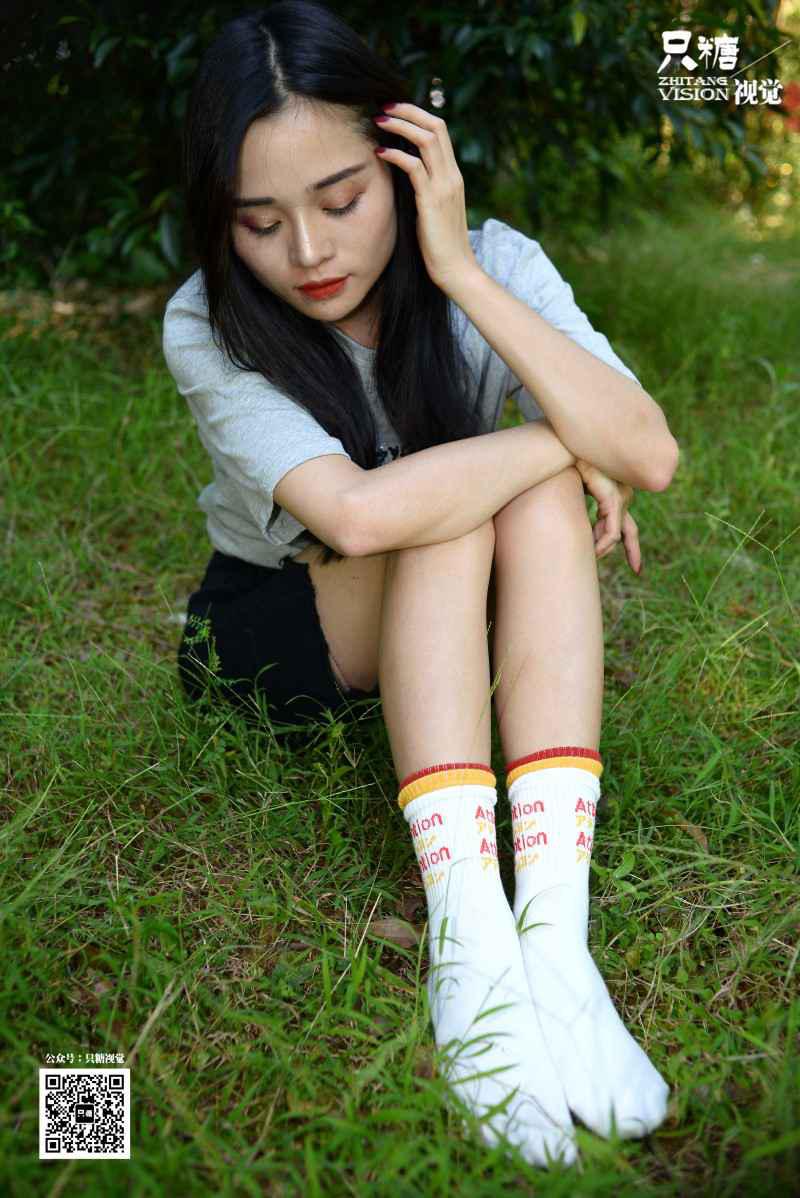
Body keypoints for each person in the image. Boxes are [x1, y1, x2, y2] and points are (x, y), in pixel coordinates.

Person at [163, 0, 679, 1169]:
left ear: (406, 161)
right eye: (259, 222)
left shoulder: (496, 263)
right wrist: (562, 441)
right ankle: (467, 925)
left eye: (342, 199)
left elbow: (646, 451)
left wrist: (454, 269)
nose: (308, 253)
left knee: (503, 500)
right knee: (469, 496)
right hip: (278, 622)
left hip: (455, 588)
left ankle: (551, 929)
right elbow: (354, 515)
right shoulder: (206, 319)